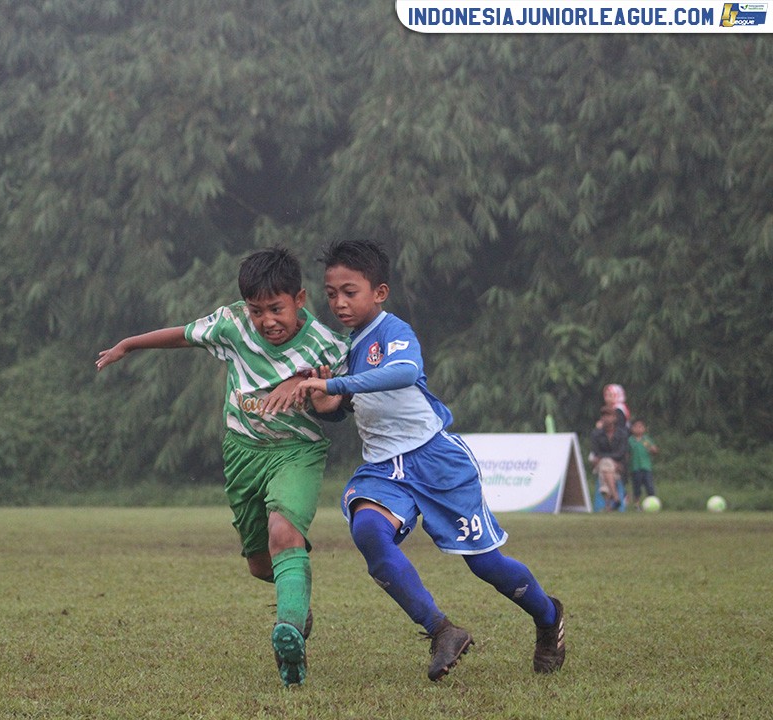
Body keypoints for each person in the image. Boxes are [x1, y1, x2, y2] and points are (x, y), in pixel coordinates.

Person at [291, 239, 565, 682]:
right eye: (331, 292)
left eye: (350, 291)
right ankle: (442, 630)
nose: (339, 302)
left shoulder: (392, 330)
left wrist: (337, 387)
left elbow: (405, 373)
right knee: (368, 531)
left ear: (379, 293)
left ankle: (548, 615)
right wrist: (324, 400)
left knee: (486, 565)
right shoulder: (346, 346)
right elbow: (348, 405)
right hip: (386, 469)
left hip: (436, 460)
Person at [95, 247, 349, 687]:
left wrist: (316, 392)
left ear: (300, 299)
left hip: (297, 451)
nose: (267, 320)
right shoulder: (231, 323)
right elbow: (182, 336)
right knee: (258, 564)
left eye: (277, 309)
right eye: (257, 310)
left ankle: (288, 631)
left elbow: (336, 404)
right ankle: (296, 598)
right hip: (242, 452)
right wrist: (128, 345)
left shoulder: (327, 345)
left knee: (283, 534)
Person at [589, 405, 629, 511]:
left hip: (618, 465)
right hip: (602, 464)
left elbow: (621, 453)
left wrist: (611, 461)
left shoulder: (622, 434)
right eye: (604, 416)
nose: (606, 418)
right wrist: (607, 460)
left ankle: (609, 504)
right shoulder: (596, 434)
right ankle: (616, 498)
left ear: (614, 418)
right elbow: (596, 452)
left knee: (605, 469)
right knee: (606, 465)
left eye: (609, 415)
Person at [628, 419, 659, 506]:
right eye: (636, 427)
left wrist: (653, 450)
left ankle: (653, 503)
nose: (638, 429)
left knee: (649, 486)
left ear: (644, 429)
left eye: (640, 427)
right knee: (637, 487)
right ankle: (637, 504)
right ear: (632, 429)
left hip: (646, 467)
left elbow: (655, 450)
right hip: (635, 467)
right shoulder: (630, 440)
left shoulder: (646, 440)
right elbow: (627, 453)